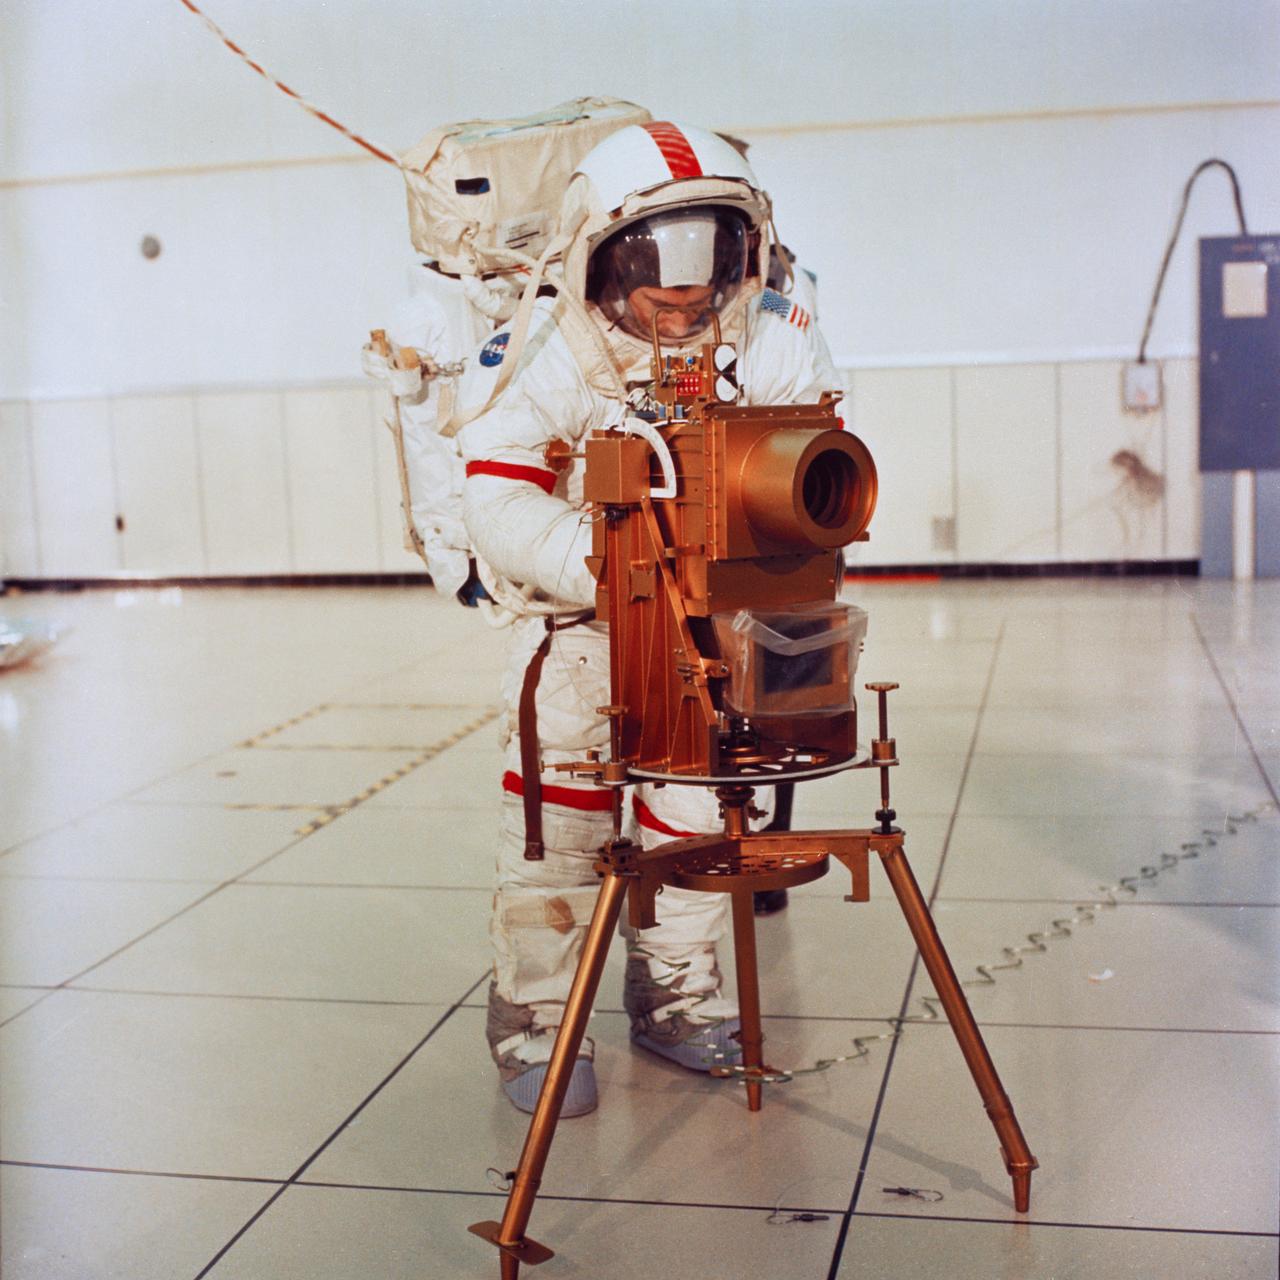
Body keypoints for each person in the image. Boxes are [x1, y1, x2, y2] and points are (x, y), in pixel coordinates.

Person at [453, 121, 843, 1116]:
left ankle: (672, 998)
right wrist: (612, 567)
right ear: (601, 257)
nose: (682, 302)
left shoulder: (770, 330)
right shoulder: (547, 345)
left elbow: (810, 461)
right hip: (585, 625)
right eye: (656, 286)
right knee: (561, 825)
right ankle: (537, 1023)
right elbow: (493, 494)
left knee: (696, 814)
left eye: (702, 281)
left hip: (718, 625)